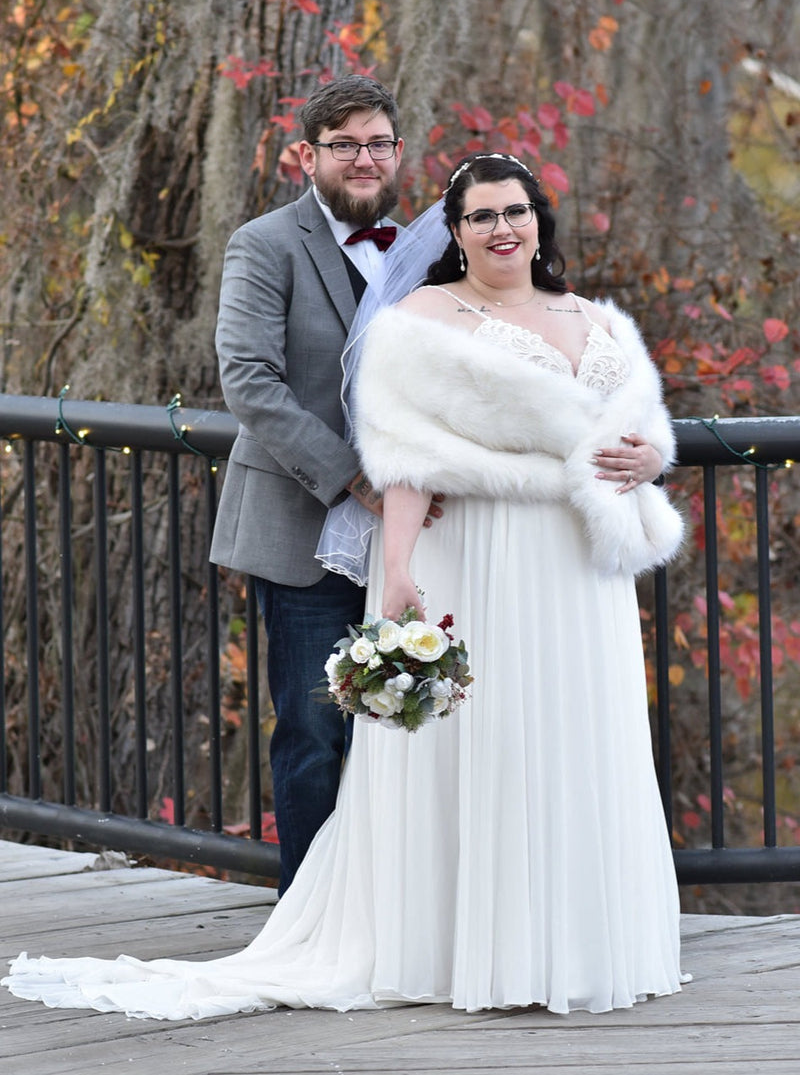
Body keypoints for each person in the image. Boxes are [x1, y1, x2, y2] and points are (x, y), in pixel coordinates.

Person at [2, 152, 688, 1018]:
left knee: (572, 731)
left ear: (540, 219)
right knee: (487, 736)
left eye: (516, 211)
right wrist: (396, 568)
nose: (503, 228)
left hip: (581, 569)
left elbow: (642, 429)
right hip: (478, 551)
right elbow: (403, 459)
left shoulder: (595, 318)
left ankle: (578, 941)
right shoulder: (422, 318)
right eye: (482, 216)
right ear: (456, 230)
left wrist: (654, 454)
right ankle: (471, 945)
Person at [208, 74, 420, 895]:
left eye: (377, 143)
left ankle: (394, 908)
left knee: (408, 722)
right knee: (311, 729)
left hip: (416, 530)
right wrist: (354, 480)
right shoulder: (265, 243)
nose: (363, 159)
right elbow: (250, 382)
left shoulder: (427, 251)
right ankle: (311, 917)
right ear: (309, 155)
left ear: (397, 153)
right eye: (344, 144)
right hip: (304, 527)